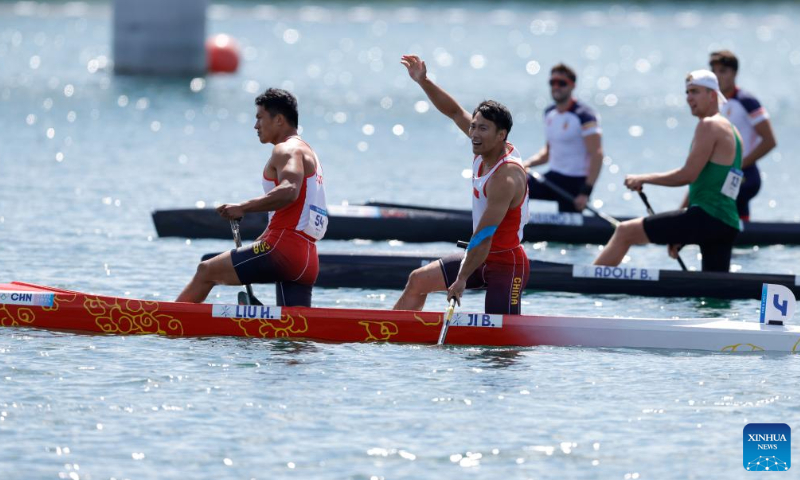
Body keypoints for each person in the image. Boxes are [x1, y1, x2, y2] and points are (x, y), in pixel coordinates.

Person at [393, 55, 530, 314]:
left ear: (501, 136)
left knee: (500, 348)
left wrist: (462, 279)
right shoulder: (485, 146)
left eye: (483, 129)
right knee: (417, 281)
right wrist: (423, 81)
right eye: (474, 127)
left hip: (506, 263)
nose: (474, 134)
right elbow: (454, 111)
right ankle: (390, 335)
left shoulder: (506, 177)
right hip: (478, 254)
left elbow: (484, 235)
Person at [176, 88, 328, 305]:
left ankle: (165, 325)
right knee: (293, 334)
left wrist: (243, 207)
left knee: (206, 271)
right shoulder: (308, 151)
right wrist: (261, 240)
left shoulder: (287, 150)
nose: (255, 126)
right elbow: (292, 210)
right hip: (307, 258)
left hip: (283, 250)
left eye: (259, 118)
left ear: (278, 120)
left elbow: (289, 190)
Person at [593, 70, 742, 272]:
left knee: (625, 231)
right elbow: (702, 183)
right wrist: (681, 229)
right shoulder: (732, 130)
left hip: (707, 218)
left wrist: (643, 178)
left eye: (695, 92)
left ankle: (583, 281)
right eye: (687, 92)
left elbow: (687, 175)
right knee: (715, 297)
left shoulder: (709, 125)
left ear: (712, 95)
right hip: (726, 223)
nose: (689, 98)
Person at [523, 63, 604, 212]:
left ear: (572, 86)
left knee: (570, 233)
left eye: (562, 83)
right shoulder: (549, 113)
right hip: (552, 179)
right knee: (513, 185)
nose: (556, 87)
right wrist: (524, 164)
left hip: (575, 184)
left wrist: (586, 192)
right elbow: (547, 153)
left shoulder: (584, 116)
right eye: (552, 82)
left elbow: (597, 155)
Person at [709, 50, 777, 221]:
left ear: (734, 73)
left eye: (723, 71)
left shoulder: (746, 101)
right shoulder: (716, 103)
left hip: (746, 174)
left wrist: (740, 164)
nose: (717, 76)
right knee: (734, 219)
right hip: (726, 173)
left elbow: (770, 141)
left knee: (714, 204)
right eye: (714, 71)